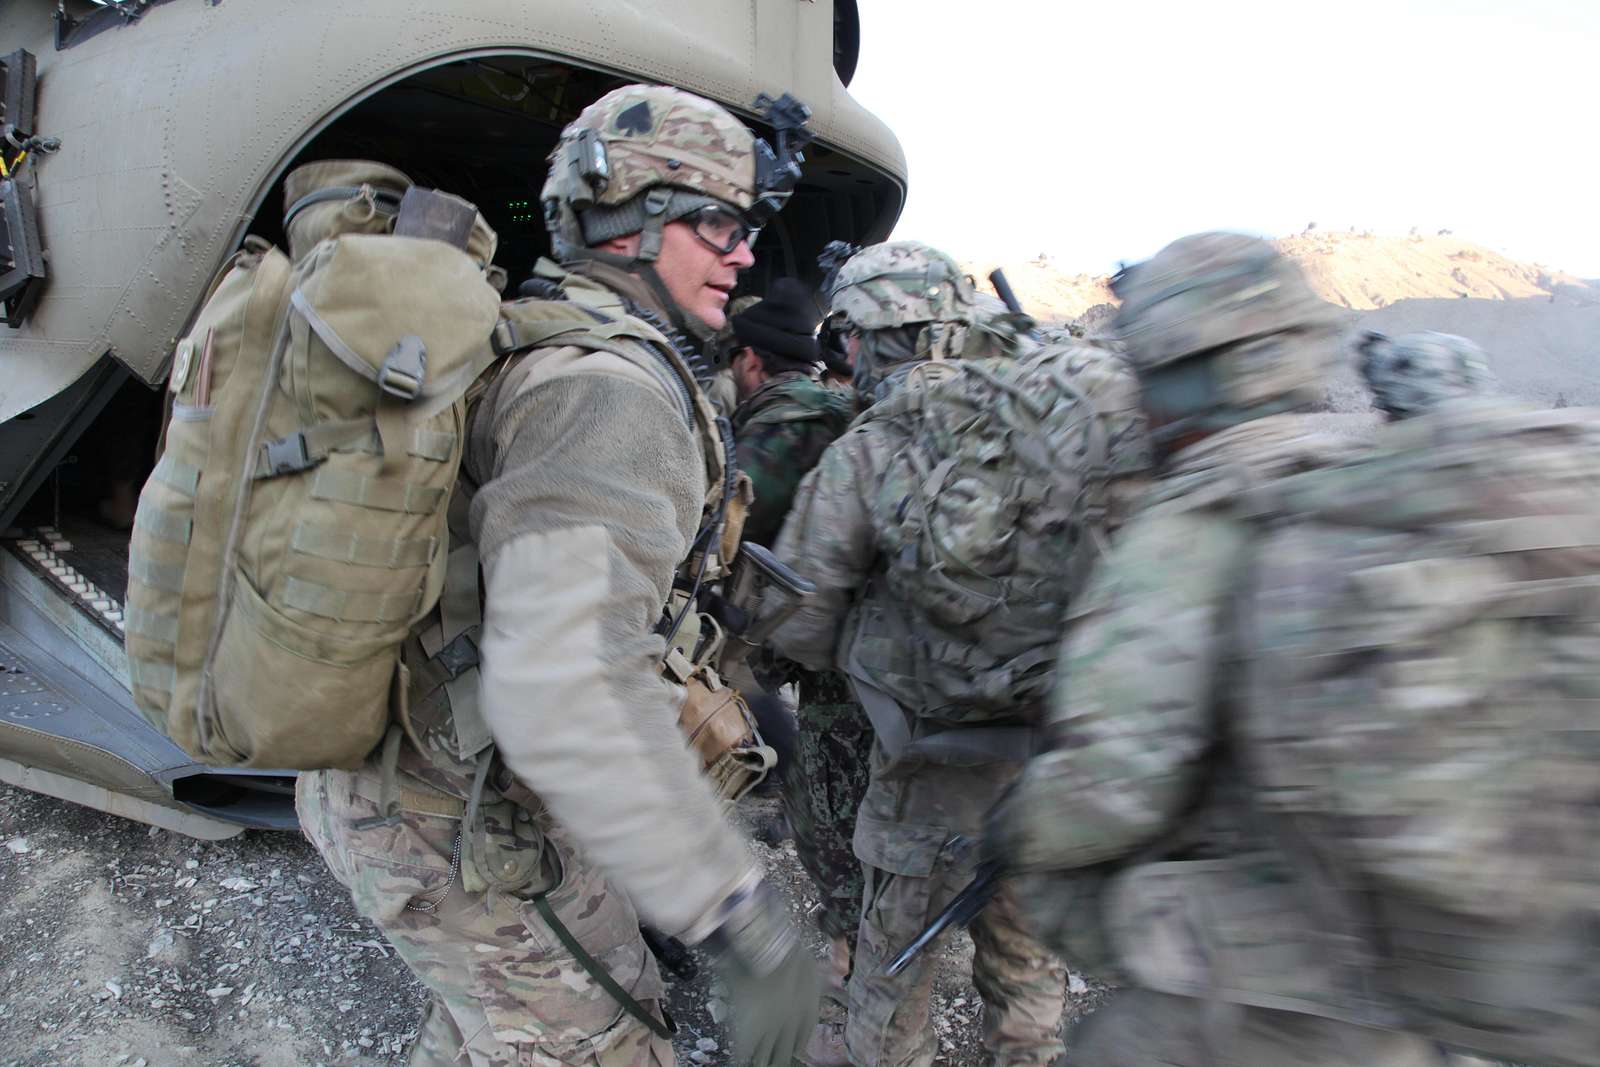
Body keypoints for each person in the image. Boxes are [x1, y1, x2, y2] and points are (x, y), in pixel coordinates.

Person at [296, 84, 819, 1067]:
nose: (742, 253)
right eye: (716, 223)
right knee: (605, 1038)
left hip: (423, 785)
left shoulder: (542, 336)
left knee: (502, 1026)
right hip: (460, 815)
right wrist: (732, 905)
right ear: (628, 225)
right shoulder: (604, 394)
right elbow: (567, 684)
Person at [987, 233, 1600, 1067]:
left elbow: (1111, 787)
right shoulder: (1377, 473)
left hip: (1262, 1005)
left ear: (1169, 374)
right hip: (1440, 999)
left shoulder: (1194, 525)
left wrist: (1016, 824)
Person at [771, 240, 1106, 1067]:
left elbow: (800, 615)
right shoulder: (1058, 421)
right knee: (1025, 960)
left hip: (929, 763)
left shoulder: (878, 441)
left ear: (863, 335)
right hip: (1050, 754)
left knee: (893, 971)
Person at [727, 278, 855, 547]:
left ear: (750, 360)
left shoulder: (773, 431)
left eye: (732, 357)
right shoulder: (824, 407)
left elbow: (722, 532)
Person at [1356, 329, 1497, 419]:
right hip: (1465, 357)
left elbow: (1392, 393)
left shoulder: (1382, 358)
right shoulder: (1405, 343)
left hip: (1442, 378)